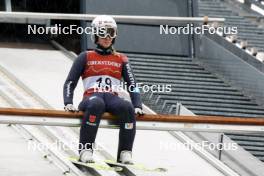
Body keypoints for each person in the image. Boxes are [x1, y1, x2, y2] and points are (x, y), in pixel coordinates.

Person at [63, 15, 144, 164]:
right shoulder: (85, 56)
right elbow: (70, 81)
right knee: (96, 104)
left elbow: (133, 85)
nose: (107, 37)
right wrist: (68, 102)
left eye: (111, 33)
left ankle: (125, 152)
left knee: (127, 107)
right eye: (102, 32)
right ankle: (85, 150)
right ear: (95, 35)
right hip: (91, 97)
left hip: (112, 98)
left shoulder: (121, 59)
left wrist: (137, 104)